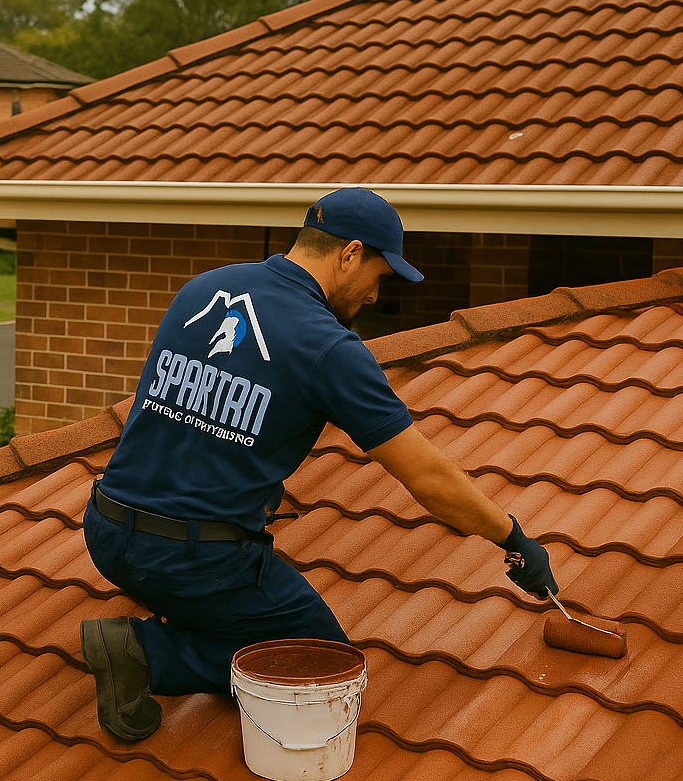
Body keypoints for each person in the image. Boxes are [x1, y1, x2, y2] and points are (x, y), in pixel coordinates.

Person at [79, 187, 557, 742]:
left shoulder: (203, 289)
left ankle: (183, 614)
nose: (377, 296)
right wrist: (511, 536)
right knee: (323, 668)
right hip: (192, 560)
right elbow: (427, 476)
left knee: (223, 602)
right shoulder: (330, 348)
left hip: (107, 531)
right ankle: (145, 654)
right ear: (349, 254)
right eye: (380, 275)